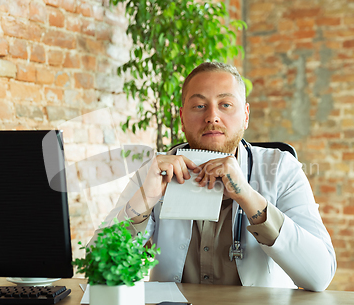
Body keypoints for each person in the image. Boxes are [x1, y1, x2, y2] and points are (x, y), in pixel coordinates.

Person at [95, 62, 336, 291]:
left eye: (226, 105)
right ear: (181, 117)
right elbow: (99, 267)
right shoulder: (154, 170)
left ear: (246, 115)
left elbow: (319, 275)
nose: (212, 116)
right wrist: (145, 199)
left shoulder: (281, 168)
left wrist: (249, 199)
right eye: (199, 106)